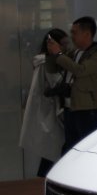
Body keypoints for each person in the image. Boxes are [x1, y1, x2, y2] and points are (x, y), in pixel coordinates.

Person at [46, 16, 97, 153]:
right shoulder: (75, 52)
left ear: (87, 34)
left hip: (87, 109)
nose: (71, 36)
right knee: (71, 148)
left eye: (74, 32)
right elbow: (53, 68)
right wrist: (52, 54)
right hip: (71, 107)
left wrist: (59, 54)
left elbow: (80, 70)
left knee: (87, 148)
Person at [20, 29, 69, 176]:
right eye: (64, 43)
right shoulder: (47, 63)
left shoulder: (46, 61)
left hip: (53, 110)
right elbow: (55, 83)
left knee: (52, 151)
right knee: (54, 149)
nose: (67, 46)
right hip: (52, 111)